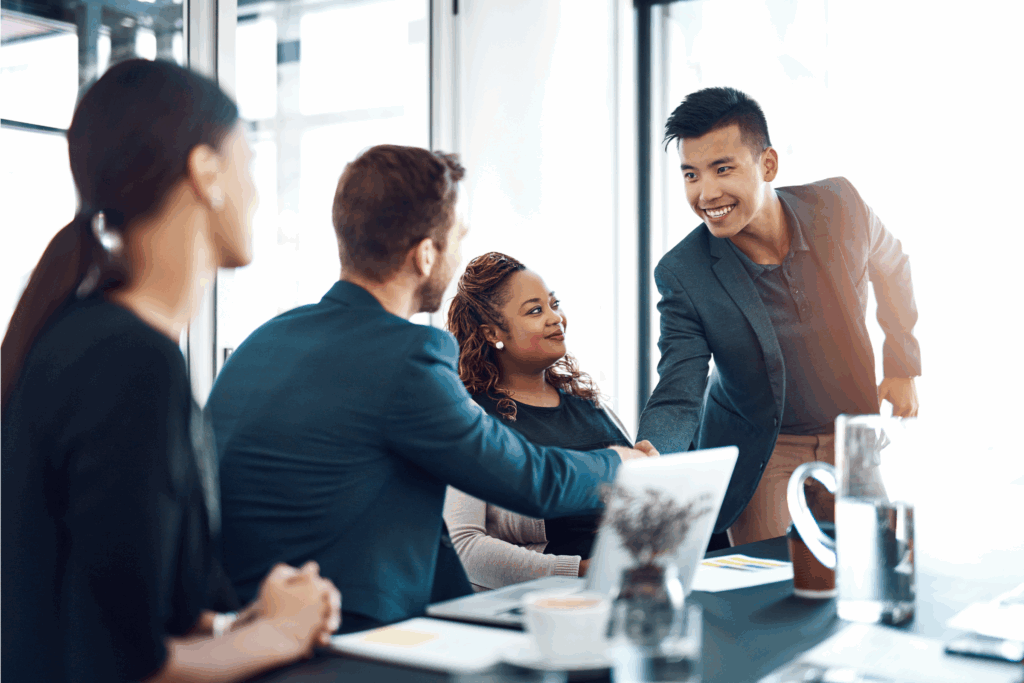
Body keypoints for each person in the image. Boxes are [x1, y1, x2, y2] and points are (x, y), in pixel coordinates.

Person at [207, 145, 654, 633]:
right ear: (424, 255)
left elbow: (432, 538)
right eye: (457, 239)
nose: (459, 253)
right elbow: (529, 481)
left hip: (248, 623)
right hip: (347, 633)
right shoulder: (406, 355)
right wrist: (619, 464)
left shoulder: (266, 340)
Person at [1, 59, 340, 683]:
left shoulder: (92, 340)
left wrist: (246, 624)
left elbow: (109, 619)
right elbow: (124, 668)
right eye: (249, 165)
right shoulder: (129, 362)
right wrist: (281, 633)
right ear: (206, 172)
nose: (258, 194)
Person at [637, 87, 921, 546]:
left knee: (873, 566)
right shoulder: (683, 273)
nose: (706, 193)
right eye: (691, 175)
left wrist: (903, 366)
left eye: (722, 168)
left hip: (851, 439)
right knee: (766, 587)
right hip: (763, 451)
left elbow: (894, 267)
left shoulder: (840, 206)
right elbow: (679, 387)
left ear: (767, 165)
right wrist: (648, 457)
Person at [444, 252, 649, 590]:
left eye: (555, 304)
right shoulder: (471, 417)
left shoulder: (586, 402)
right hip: (549, 601)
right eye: (536, 311)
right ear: (492, 332)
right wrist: (581, 571)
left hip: (628, 583)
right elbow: (466, 548)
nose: (557, 318)